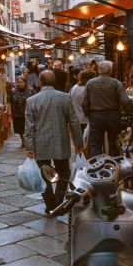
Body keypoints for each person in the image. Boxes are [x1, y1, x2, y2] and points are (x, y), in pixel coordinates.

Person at [25, 70, 84, 215]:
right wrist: (78, 143)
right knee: (64, 172)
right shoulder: (65, 97)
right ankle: (59, 201)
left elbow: (29, 127)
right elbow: (74, 122)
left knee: (43, 174)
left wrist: (29, 147)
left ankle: (50, 203)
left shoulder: (32, 100)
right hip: (60, 141)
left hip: (41, 142)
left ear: (40, 82)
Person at [82, 60, 133, 157]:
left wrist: (87, 114)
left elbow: (85, 102)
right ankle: (114, 166)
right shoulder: (116, 83)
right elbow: (125, 101)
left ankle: (96, 166)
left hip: (96, 116)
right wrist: (130, 110)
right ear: (110, 70)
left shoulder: (90, 83)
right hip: (113, 116)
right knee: (114, 143)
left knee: (95, 145)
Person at [7, 76, 35, 148]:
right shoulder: (13, 90)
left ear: (25, 83)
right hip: (17, 112)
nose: (20, 84)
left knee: (28, 128)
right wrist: (9, 110)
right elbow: (9, 101)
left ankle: (29, 141)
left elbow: (34, 101)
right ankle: (23, 141)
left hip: (28, 112)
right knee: (19, 129)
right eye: (18, 82)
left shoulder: (30, 90)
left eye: (22, 82)